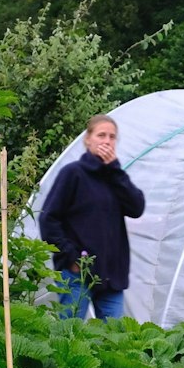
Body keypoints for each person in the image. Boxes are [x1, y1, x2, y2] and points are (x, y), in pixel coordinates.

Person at [38, 115, 146, 320]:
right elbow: (48, 219)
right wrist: (71, 257)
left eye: (112, 137)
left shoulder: (115, 178)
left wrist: (115, 170)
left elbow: (137, 207)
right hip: (78, 273)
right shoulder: (73, 174)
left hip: (111, 276)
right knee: (70, 335)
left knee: (114, 340)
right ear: (88, 140)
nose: (107, 141)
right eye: (101, 135)